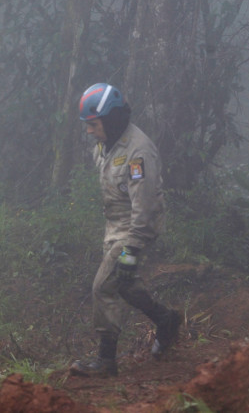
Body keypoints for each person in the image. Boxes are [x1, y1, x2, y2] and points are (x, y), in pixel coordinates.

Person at [70, 83, 181, 378]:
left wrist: (132, 247)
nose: (89, 131)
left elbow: (145, 206)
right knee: (124, 282)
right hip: (116, 224)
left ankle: (106, 360)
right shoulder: (107, 144)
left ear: (111, 118)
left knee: (103, 286)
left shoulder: (138, 151)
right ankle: (166, 320)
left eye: (93, 125)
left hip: (135, 226)